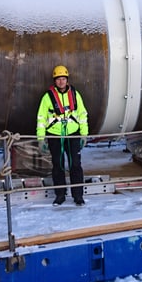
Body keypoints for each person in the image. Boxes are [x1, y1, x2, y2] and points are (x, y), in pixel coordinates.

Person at [36, 65, 89, 206]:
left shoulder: (75, 95)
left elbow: (82, 114)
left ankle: (78, 196)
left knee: (75, 165)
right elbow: (41, 118)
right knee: (58, 165)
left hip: (72, 135)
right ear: (55, 81)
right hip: (55, 135)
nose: (61, 81)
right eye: (58, 79)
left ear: (67, 80)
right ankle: (60, 195)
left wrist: (84, 134)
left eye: (63, 79)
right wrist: (41, 139)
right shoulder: (47, 97)